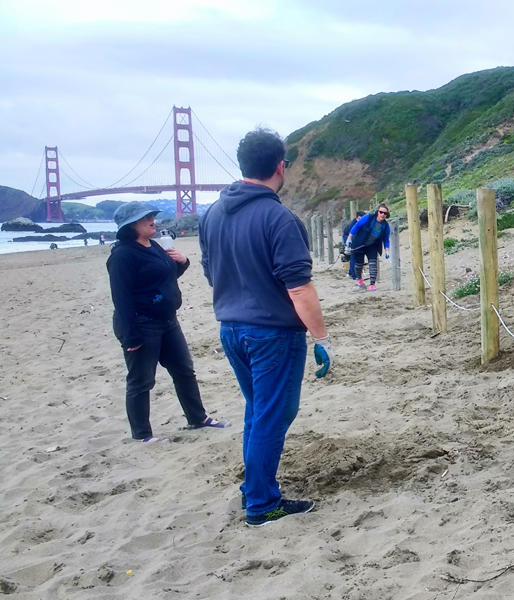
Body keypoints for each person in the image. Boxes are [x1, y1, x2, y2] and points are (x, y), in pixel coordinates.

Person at [199, 128, 332, 527]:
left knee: (259, 411)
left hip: (231, 328)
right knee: (274, 414)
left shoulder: (212, 214)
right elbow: (300, 288)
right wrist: (322, 338)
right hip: (272, 333)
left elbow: (211, 273)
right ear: (280, 167)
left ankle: (253, 490)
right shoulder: (279, 218)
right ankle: (261, 502)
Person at [106, 202, 227, 443]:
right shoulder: (122, 255)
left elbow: (164, 277)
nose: (152, 219)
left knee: (184, 370)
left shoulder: (154, 247)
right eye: (145, 217)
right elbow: (121, 298)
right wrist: (131, 336)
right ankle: (142, 435)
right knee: (142, 380)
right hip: (141, 324)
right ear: (130, 226)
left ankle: (198, 418)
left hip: (167, 321)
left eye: (151, 215)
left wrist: (182, 263)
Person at [345, 204, 391, 292]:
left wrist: (387, 250)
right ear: (377, 212)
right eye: (381, 212)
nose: (382, 214)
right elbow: (357, 226)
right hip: (359, 243)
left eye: (385, 213)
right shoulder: (368, 217)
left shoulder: (385, 226)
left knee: (373, 264)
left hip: (373, 245)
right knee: (359, 264)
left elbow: (386, 239)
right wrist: (349, 238)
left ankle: (372, 284)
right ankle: (359, 280)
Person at [341, 211, 367, 276]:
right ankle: (354, 274)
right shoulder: (354, 224)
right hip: (347, 236)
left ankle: (351, 272)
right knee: (353, 254)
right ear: (357, 218)